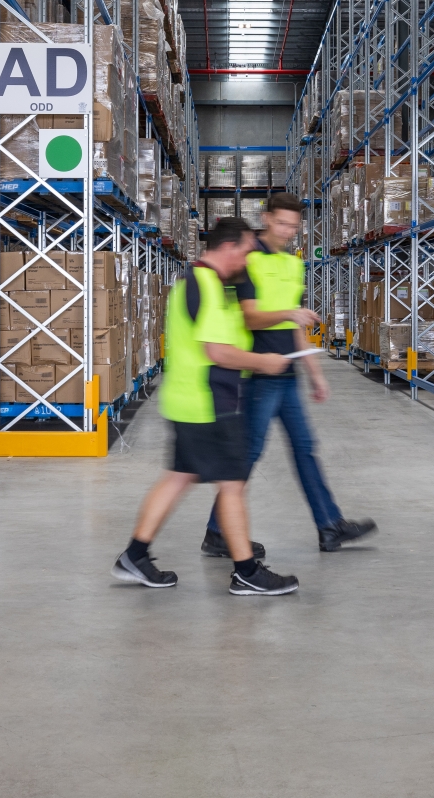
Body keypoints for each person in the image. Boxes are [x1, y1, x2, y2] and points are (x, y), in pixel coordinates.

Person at [113, 217, 303, 597]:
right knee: (232, 484)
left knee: (179, 477)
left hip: (188, 400)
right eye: (247, 253)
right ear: (229, 248)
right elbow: (217, 351)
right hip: (210, 402)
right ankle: (246, 570)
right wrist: (264, 363)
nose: (248, 261)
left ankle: (134, 555)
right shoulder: (207, 285)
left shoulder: (194, 280)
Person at [202, 191, 377, 556]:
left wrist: (315, 372)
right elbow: (251, 315)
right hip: (259, 372)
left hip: (287, 372)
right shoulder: (248, 260)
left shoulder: (292, 263)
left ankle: (329, 527)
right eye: (281, 223)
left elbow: (295, 324)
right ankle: (218, 532)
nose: (287, 231)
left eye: (294, 226)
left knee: (305, 449)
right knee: (249, 453)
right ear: (266, 218)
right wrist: (287, 314)